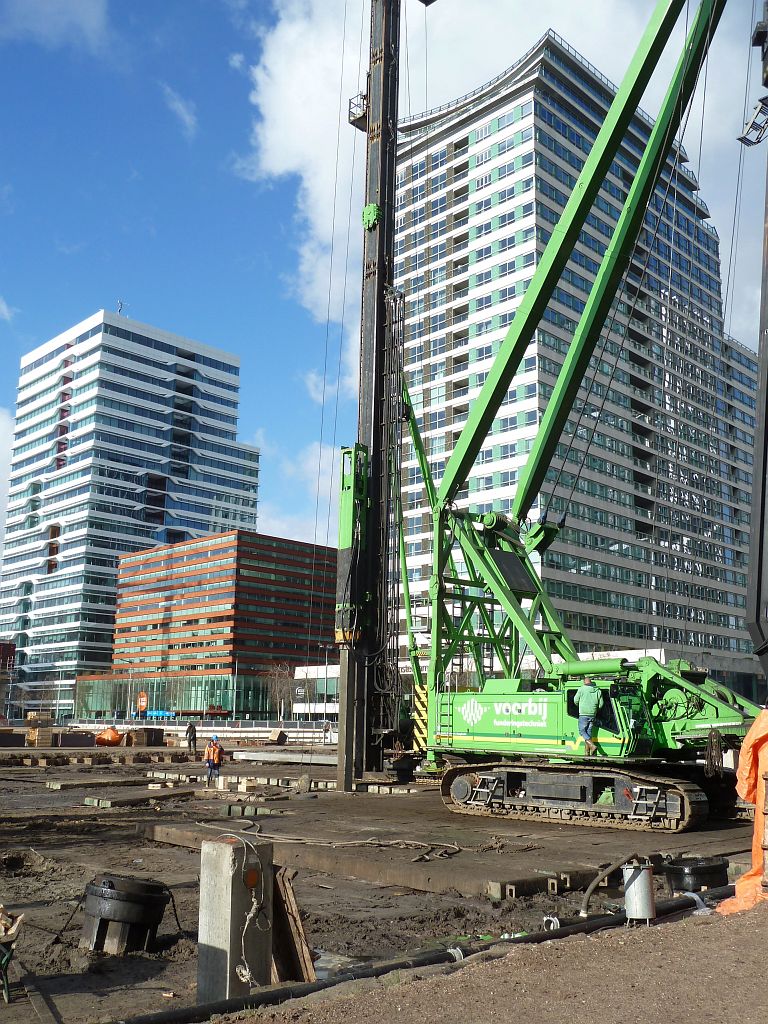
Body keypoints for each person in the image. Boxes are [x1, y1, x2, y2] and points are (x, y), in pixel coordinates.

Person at [574, 676, 603, 755]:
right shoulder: (598, 690)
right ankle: (587, 753)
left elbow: (575, 700)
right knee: (589, 733)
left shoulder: (581, 689)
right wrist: (595, 709)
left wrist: (580, 706)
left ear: (584, 683)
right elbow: (601, 704)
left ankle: (592, 746)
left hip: (583, 714)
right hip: (593, 714)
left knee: (582, 731)